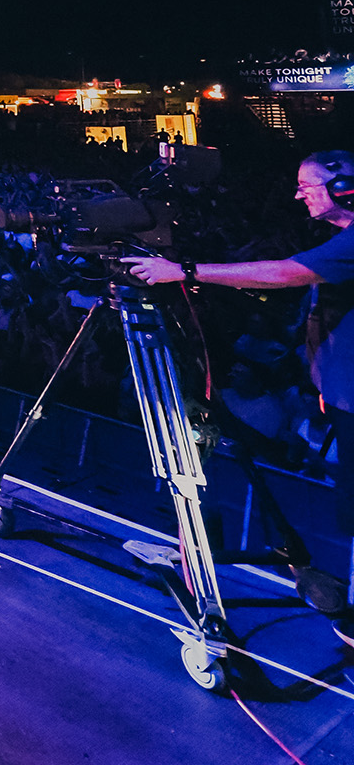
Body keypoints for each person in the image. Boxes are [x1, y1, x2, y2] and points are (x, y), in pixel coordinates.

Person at [123, 150, 354, 644]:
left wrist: (184, 271)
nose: (298, 195)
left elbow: (285, 273)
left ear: (345, 188)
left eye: (307, 185)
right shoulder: (341, 240)